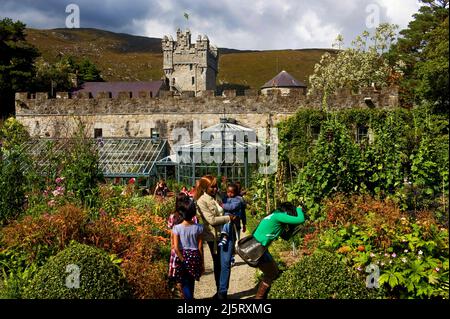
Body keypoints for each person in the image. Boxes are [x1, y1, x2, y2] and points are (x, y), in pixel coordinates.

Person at [195, 175, 237, 299]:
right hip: (213, 237)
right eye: (212, 187)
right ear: (204, 188)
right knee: (218, 264)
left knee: (225, 263)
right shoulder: (201, 201)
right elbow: (211, 220)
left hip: (226, 233)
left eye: (216, 186)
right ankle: (220, 291)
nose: (215, 189)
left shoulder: (218, 196)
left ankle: (222, 293)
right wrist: (228, 218)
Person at [252, 202, 305, 299]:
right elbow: (300, 219)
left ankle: (264, 295)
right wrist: (299, 209)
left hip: (261, 248)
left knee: (275, 271)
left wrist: (293, 229)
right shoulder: (279, 215)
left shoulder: (275, 216)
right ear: (288, 212)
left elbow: (285, 237)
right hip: (258, 248)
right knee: (271, 273)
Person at [172, 195, 204, 300]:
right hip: (195, 256)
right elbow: (199, 247)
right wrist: (202, 262)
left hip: (183, 255)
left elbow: (176, 248)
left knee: (184, 282)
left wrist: (182, 260)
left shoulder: (176, 228)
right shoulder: (199, 228)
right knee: (191, 280)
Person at [168, 193, 199, 297]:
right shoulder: (193, 218)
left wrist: (173, 245)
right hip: (192, 251)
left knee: (181, 280)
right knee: (191, 278)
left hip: (178, 252)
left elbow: (172, 235)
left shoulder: (173, 216)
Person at [219, 183, 247, 267]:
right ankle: (227, 258)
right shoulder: (225, 198)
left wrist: (244, 223)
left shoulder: (238, 200)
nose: (229, 194)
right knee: (227, 241)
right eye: (228, 192)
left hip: (236, 224)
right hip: (226, 222)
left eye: (232, 192)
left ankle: (231, 258)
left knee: (234, 241)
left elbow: (240, 211)